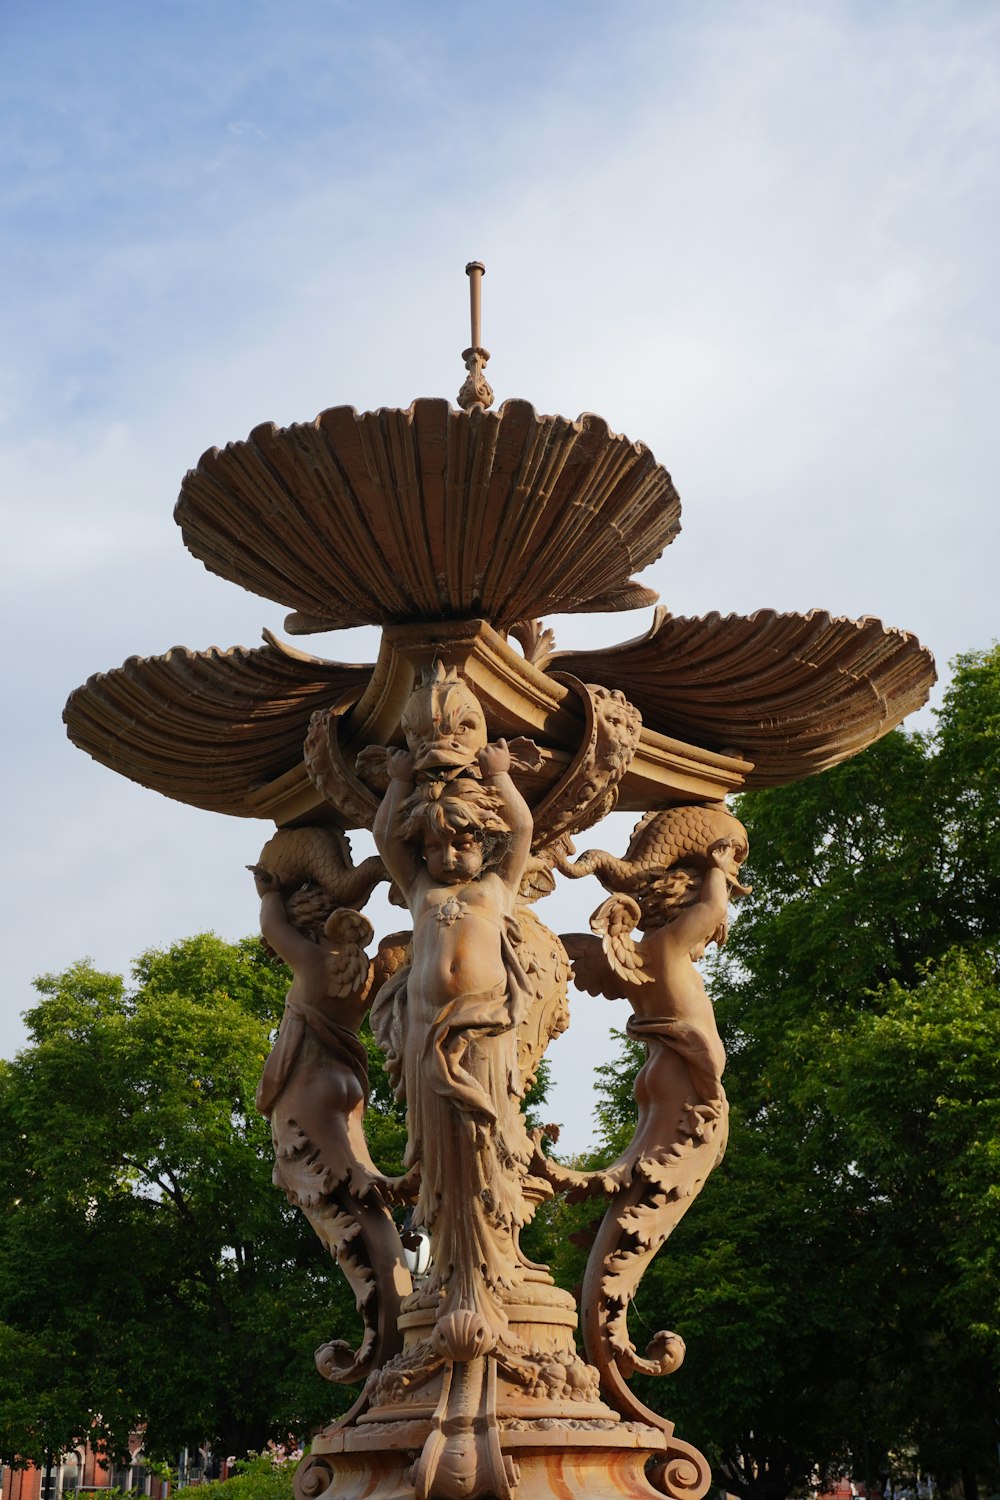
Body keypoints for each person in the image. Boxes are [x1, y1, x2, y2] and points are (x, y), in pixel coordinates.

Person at [370, 738, 537, 1332]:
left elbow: (521, 830)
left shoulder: (496, 889)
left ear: (482, 845)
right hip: (425, 1033)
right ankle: (448, 1263)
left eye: (461, 842)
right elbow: (387, 839)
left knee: (481, 1143)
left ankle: (490, 1264)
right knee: (441, 1152)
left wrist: (500, 776)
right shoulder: (422, 892)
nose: (445, 855)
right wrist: (395, 784)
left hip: (484, 1031)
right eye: (434, 845)